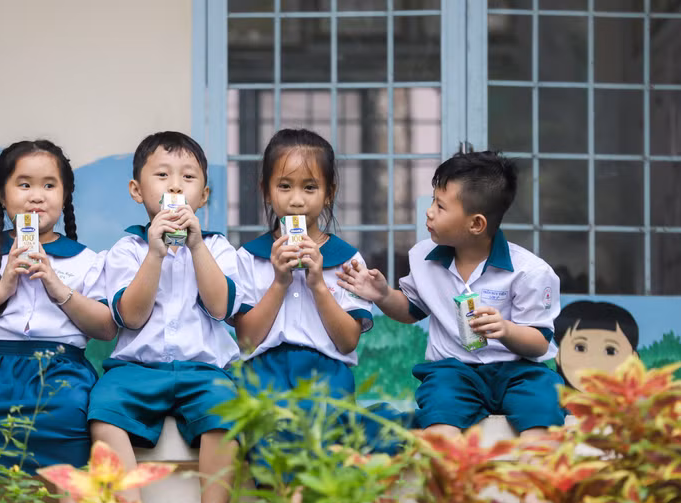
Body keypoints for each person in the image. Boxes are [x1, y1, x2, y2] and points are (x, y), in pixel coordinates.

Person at [338, 150, 565, 445]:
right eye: (433, 200)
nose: (429, 211)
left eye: (441, 206)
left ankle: (537, 484)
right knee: (440, 407)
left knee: (543, 403)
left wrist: (506, 330)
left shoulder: (529, 272)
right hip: (454, 370)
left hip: (518, 371)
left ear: (476, 224)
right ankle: (446, 482)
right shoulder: (423, 258)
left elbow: (539, 342)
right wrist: (382, 295)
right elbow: (411, 310)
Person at [235, 128, 409, 484]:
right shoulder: (248, 258)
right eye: (284, 186)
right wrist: (280, 280)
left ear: (329, 194)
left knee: (323, 420)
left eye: (310, 187)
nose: (296, 200)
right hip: (264, 373)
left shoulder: (347, 261)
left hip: (327, 373)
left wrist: (317, 283)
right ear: (266, 192)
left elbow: (347, 341)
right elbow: (247, 340)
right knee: (272, 422)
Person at [88, 131, 240, 503]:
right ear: (137, 190)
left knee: (226, 416)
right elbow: (131, 316)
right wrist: (155, 252)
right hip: (137, 369)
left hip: (203, 371)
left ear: (203, 196)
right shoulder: (127, 249)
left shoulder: (219, 247)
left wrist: (196, 247)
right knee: (104, 411)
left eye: (188, 178)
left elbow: (221, 307)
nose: (175, 185)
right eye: (162, 175)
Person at [0, 139, 115, 473]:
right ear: (3, 196)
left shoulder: (87, 261)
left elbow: (105, 328)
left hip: (62, 369)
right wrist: (2, 287)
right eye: (24, 185)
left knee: (70, 410)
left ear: (64, 197)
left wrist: (56, 285)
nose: (37, 195)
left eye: (49, 185)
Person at [554, 300, 639, 390]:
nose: (593, 361)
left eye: (610, 351)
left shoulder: (642, 402)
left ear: (634, 358)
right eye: (580, 348)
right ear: (558, 354)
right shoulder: (548, 401)